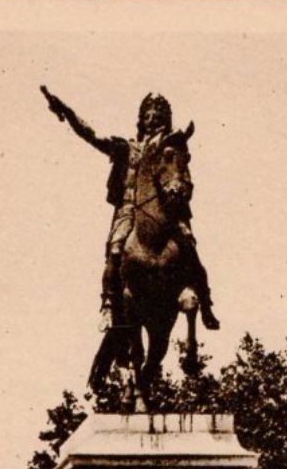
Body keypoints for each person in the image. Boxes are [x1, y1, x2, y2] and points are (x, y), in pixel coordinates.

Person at [41, 86, 220, 331]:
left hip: (165, 208)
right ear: (141, 119)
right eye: (147, 115)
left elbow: (179, 175)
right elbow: (91, 135)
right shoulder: (127, 148)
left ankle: (206, 304)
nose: (152, 119)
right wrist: (67, 112)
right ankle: (108, 305)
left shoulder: (169, 147)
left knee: (187, 242)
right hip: (128, 208)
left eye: (158, 115)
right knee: (116, 249)